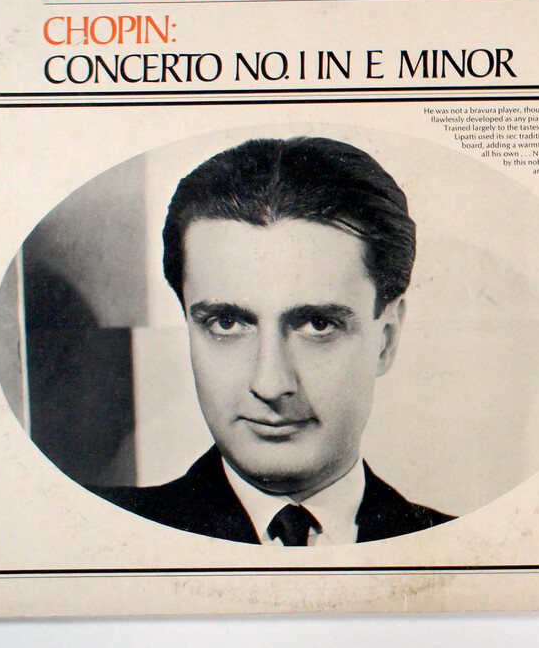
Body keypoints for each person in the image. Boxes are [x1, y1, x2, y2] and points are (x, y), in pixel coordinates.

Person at [94, 136, 453, 545]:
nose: (270, 384)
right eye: (227, 323)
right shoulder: (99, 536)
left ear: (386, 340)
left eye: (318, 325)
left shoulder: (458, 549)